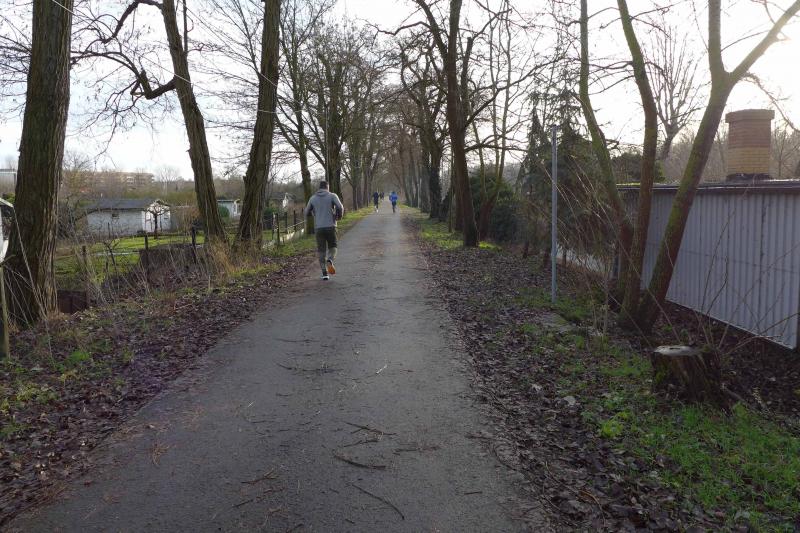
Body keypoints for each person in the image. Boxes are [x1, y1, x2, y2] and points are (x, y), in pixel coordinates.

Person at [304, 181, 344, 280]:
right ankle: (330, 260)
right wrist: (338, 216)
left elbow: (306, 212)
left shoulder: (312, 198)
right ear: (327, 187)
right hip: (331, 226)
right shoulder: (332, 196)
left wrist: (314, 215)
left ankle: (325, 273)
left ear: (319, 188)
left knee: (321, 250)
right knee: (333, 247)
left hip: (319, 228)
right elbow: (340, 207)